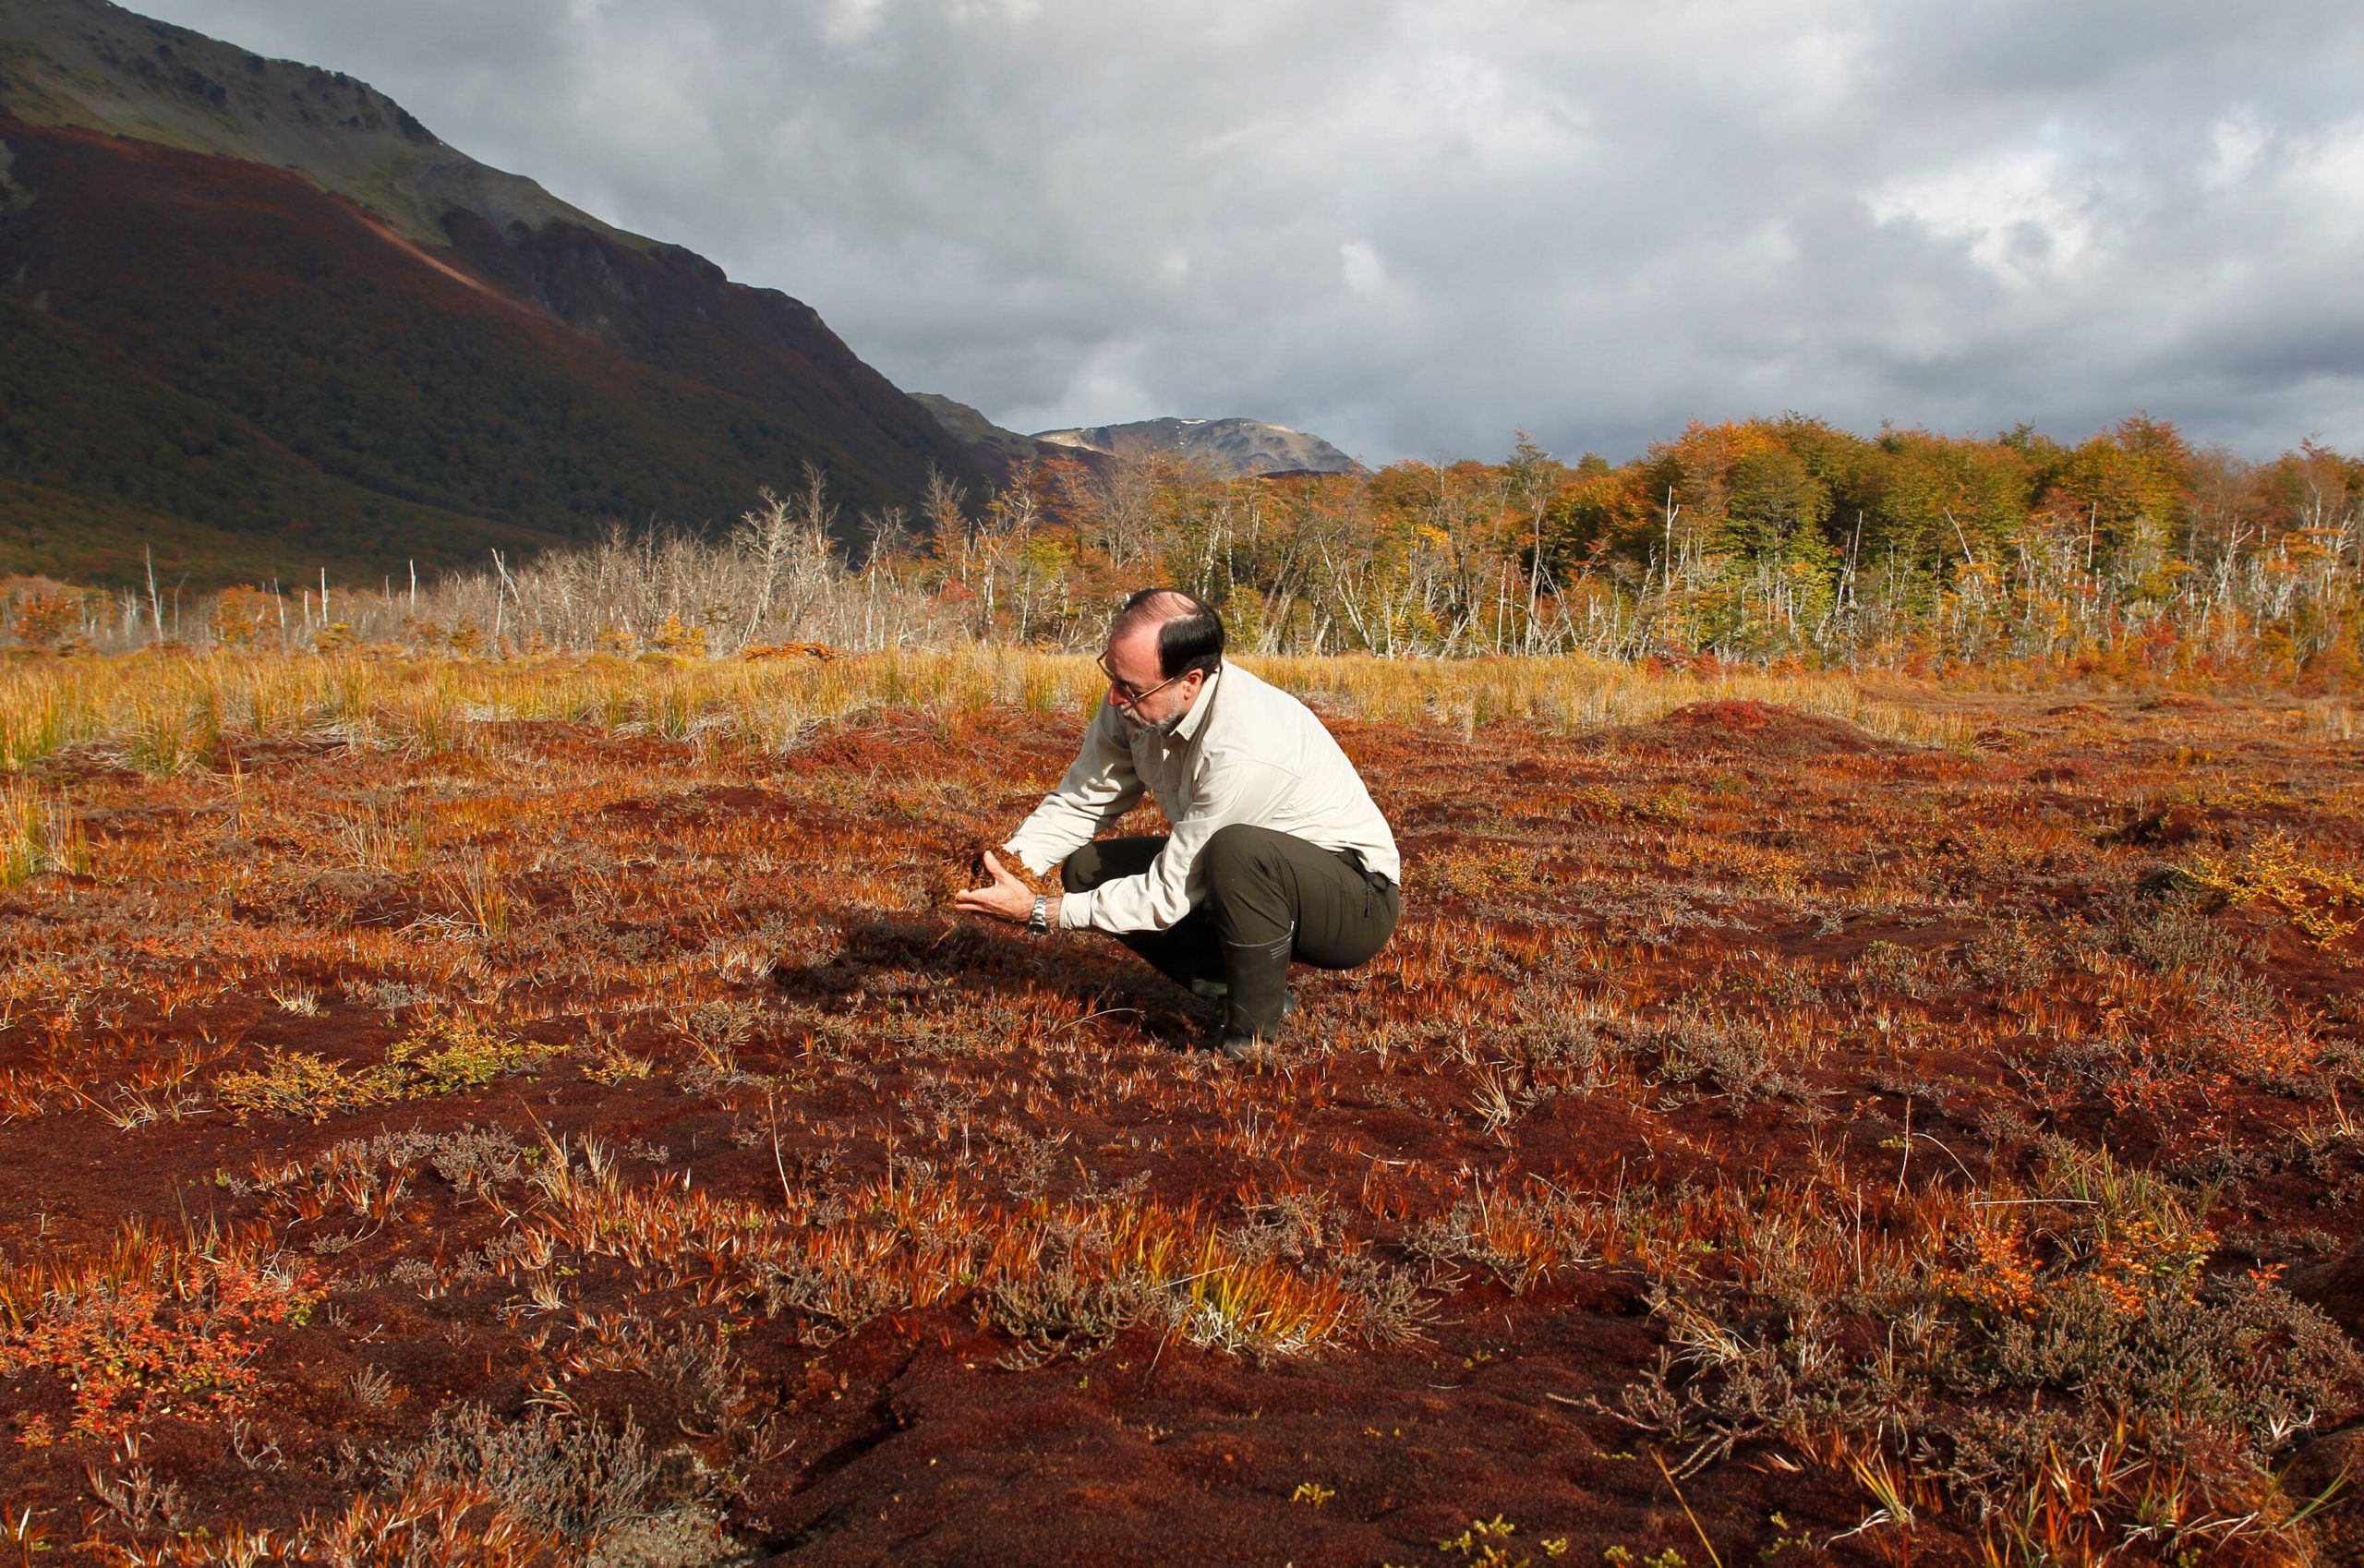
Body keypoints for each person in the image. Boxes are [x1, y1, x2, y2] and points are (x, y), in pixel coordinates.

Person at [953, 588, 1401, 1060]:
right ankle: (1238, 987)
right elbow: (1086, 797)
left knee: (1239, 852)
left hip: (1354, 902)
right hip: (1249, 875)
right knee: (1089, 868)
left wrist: (1040, 911)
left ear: (1190, 681)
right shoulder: (1136, 698)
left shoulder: (1245, 748)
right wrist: (1004, 865)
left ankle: (1250, 1037)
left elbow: (1166, 896)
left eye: (1130, 687)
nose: (1114, 697)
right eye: (1112, 672)